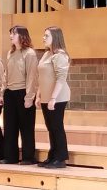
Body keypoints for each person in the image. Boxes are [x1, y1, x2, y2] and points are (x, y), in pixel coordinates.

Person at [0, 25, 38, 165]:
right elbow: (6, 75)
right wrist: (3, 93)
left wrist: (29, 97)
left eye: (13, 34)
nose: (11, 36)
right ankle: (10, 156)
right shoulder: (10, 53)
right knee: (9, 126)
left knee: (26, 127)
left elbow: (32, 77)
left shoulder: (30, 53)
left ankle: (28, 157)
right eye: (10, 34)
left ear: (22, 36)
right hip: (10, 92)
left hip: (23, 93)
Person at [36, 26, 71, 169]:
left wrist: (53, 98)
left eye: (46, 36)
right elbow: (41, 77)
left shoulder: (60, 55)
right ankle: (53, 155)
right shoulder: (47, 54)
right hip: (45, 97)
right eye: (44, 35)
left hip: (58, 97)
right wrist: (39, 95)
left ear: (55, 38)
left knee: (56, 127)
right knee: (50, 127)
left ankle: (61, 158)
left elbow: (61, 79)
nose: (43, 38)